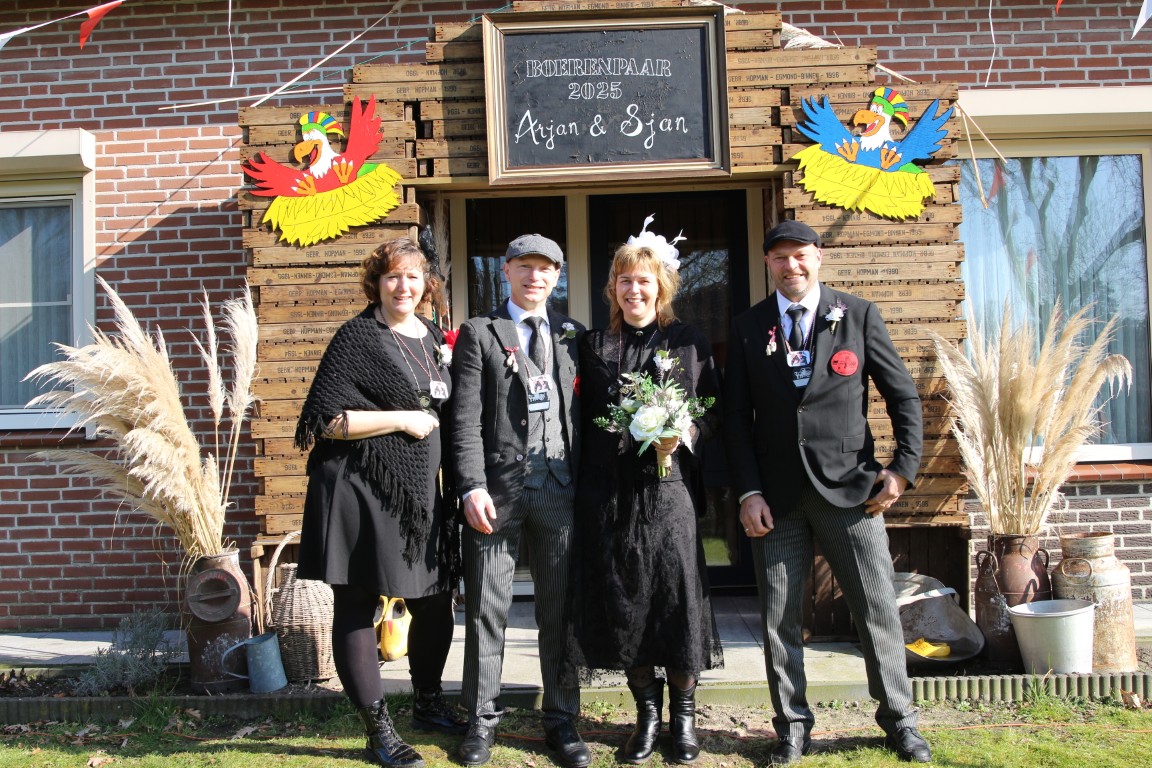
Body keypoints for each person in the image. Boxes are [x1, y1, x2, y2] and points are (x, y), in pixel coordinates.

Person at [723, 220, 931, 765]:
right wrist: (748, 492)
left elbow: (902, 397)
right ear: (767, 263)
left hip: (852, 492)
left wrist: (902, 470)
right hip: (776, 499)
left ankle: (900, 721)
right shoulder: (748, 327)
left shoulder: (857, 315)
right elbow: (734, 419)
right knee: (778, 622)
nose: (790, 266)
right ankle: (792, 727)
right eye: (779, 257)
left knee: (876, 610)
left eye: (800, 255)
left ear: (818, 256)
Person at [294, 237, 464, 768]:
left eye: (413, 276)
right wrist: (401, 419)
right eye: (393, 276)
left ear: (426, 283)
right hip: (357, 487)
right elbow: (325, 420)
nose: (403, 286)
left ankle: (428, 703)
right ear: (377, 282)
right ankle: (379, 731)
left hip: (417, 493)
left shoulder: (431, 336)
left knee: (434, 597)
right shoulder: (358, 336)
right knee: (358, 602)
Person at [567, 218, 724, 765]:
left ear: (662, 287)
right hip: (609, 497)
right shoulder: (592, 345)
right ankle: (647, 717)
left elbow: (713, 412)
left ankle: (684, 719)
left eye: (644, 281)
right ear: (613, 288)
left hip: (668, 492)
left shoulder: (688, 342)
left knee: (676, 601)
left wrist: (684, 435)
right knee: (624, 603)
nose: (634, 290)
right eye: (625, 281)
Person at [449, 235, 589, 768]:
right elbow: (463, 419)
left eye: (546, 268)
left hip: (560, 488)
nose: (536, 277)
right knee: (488, 609)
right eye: (525, 266)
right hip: (496, 494)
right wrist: (470, 485)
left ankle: (562, 718)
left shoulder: (574, 334)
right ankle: (481, 720)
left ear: (557, 275)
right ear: (506, 270)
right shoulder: (479, 332)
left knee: (560, 611)